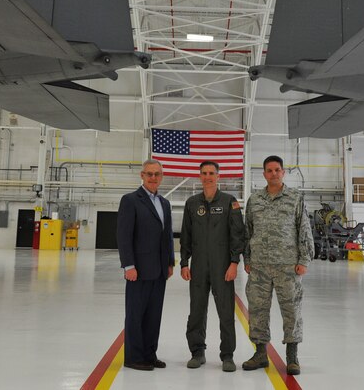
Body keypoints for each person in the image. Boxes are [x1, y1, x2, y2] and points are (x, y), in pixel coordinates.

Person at [242, 155, 314, 375]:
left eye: (277, 170)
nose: (273, 173)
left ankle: (292, 357)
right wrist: (247, 259)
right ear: (264, 174)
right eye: (269, 170)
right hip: (260, 267)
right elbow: (247, 231)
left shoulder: (295, 198)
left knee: (291, 310)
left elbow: (304, 229)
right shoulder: (254, 200)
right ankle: (260, 354)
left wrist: (304, 259)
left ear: (283, 172)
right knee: (257, 309)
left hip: (287, 266)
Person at [180, 161, 245, 372]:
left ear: (218, 176)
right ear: (200, 176)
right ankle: (197, 352)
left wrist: (234, 263)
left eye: (211, 173)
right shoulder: (192, 203)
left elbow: (238, 235)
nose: (207, 176)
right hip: (198, 266)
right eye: (204, 173)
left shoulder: (229, 202)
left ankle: (227, 355)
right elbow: (186, 237)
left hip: (223, 267)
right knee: (196, 311)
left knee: (226, 312)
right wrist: (183, 263)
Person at [117, 159, 175, 371]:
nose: (153, 178)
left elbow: (167, 236)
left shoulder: (164, 203)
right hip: (138, 270)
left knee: (153, 315)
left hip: (159, 270)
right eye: (149, 174)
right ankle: (133, 357)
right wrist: (128, 265)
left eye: (156, 174)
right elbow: (124, 236)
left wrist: (169, 262)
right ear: (142, 175)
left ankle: (149, 355)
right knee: (135, 315)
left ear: (161, 176)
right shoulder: (130, 200)